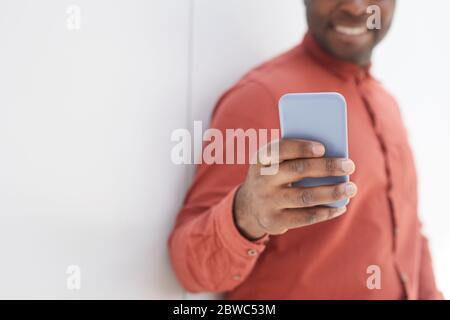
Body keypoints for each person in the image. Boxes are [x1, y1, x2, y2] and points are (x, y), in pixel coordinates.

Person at [168, 0, 443, 299]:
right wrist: (247, 215)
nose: (354, 6)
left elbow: (408, 230)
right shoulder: (259, 97)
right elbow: (190, 268)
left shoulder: (387, 103)